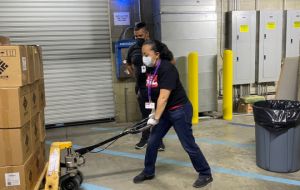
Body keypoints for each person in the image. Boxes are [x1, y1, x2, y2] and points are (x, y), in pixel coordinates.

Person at [133, 40, 213, 188]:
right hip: (164, 111)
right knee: (153, 141)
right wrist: (153, 113)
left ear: (156, 54)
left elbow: (163, 97)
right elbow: (154, 94)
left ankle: (205, 173)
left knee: (188, 144)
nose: (144, 57)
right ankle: (148, 171)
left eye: (146, 54)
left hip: (179, 110)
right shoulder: (151, 69)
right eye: (143, 54)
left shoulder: (167, 69)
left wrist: (156, 118)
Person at [126, 22, 166, 150]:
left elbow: (165, 65)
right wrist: (135, 76)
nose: (138, 38)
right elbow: (128, 64)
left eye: (140, 36)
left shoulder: (156, 47)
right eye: (136, 36)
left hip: (154, 88)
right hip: (141, 89)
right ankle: (145, 139)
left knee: (156, 114)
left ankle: (158, 140)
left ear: (147, 34)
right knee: (145, 115)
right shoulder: (133, 49)